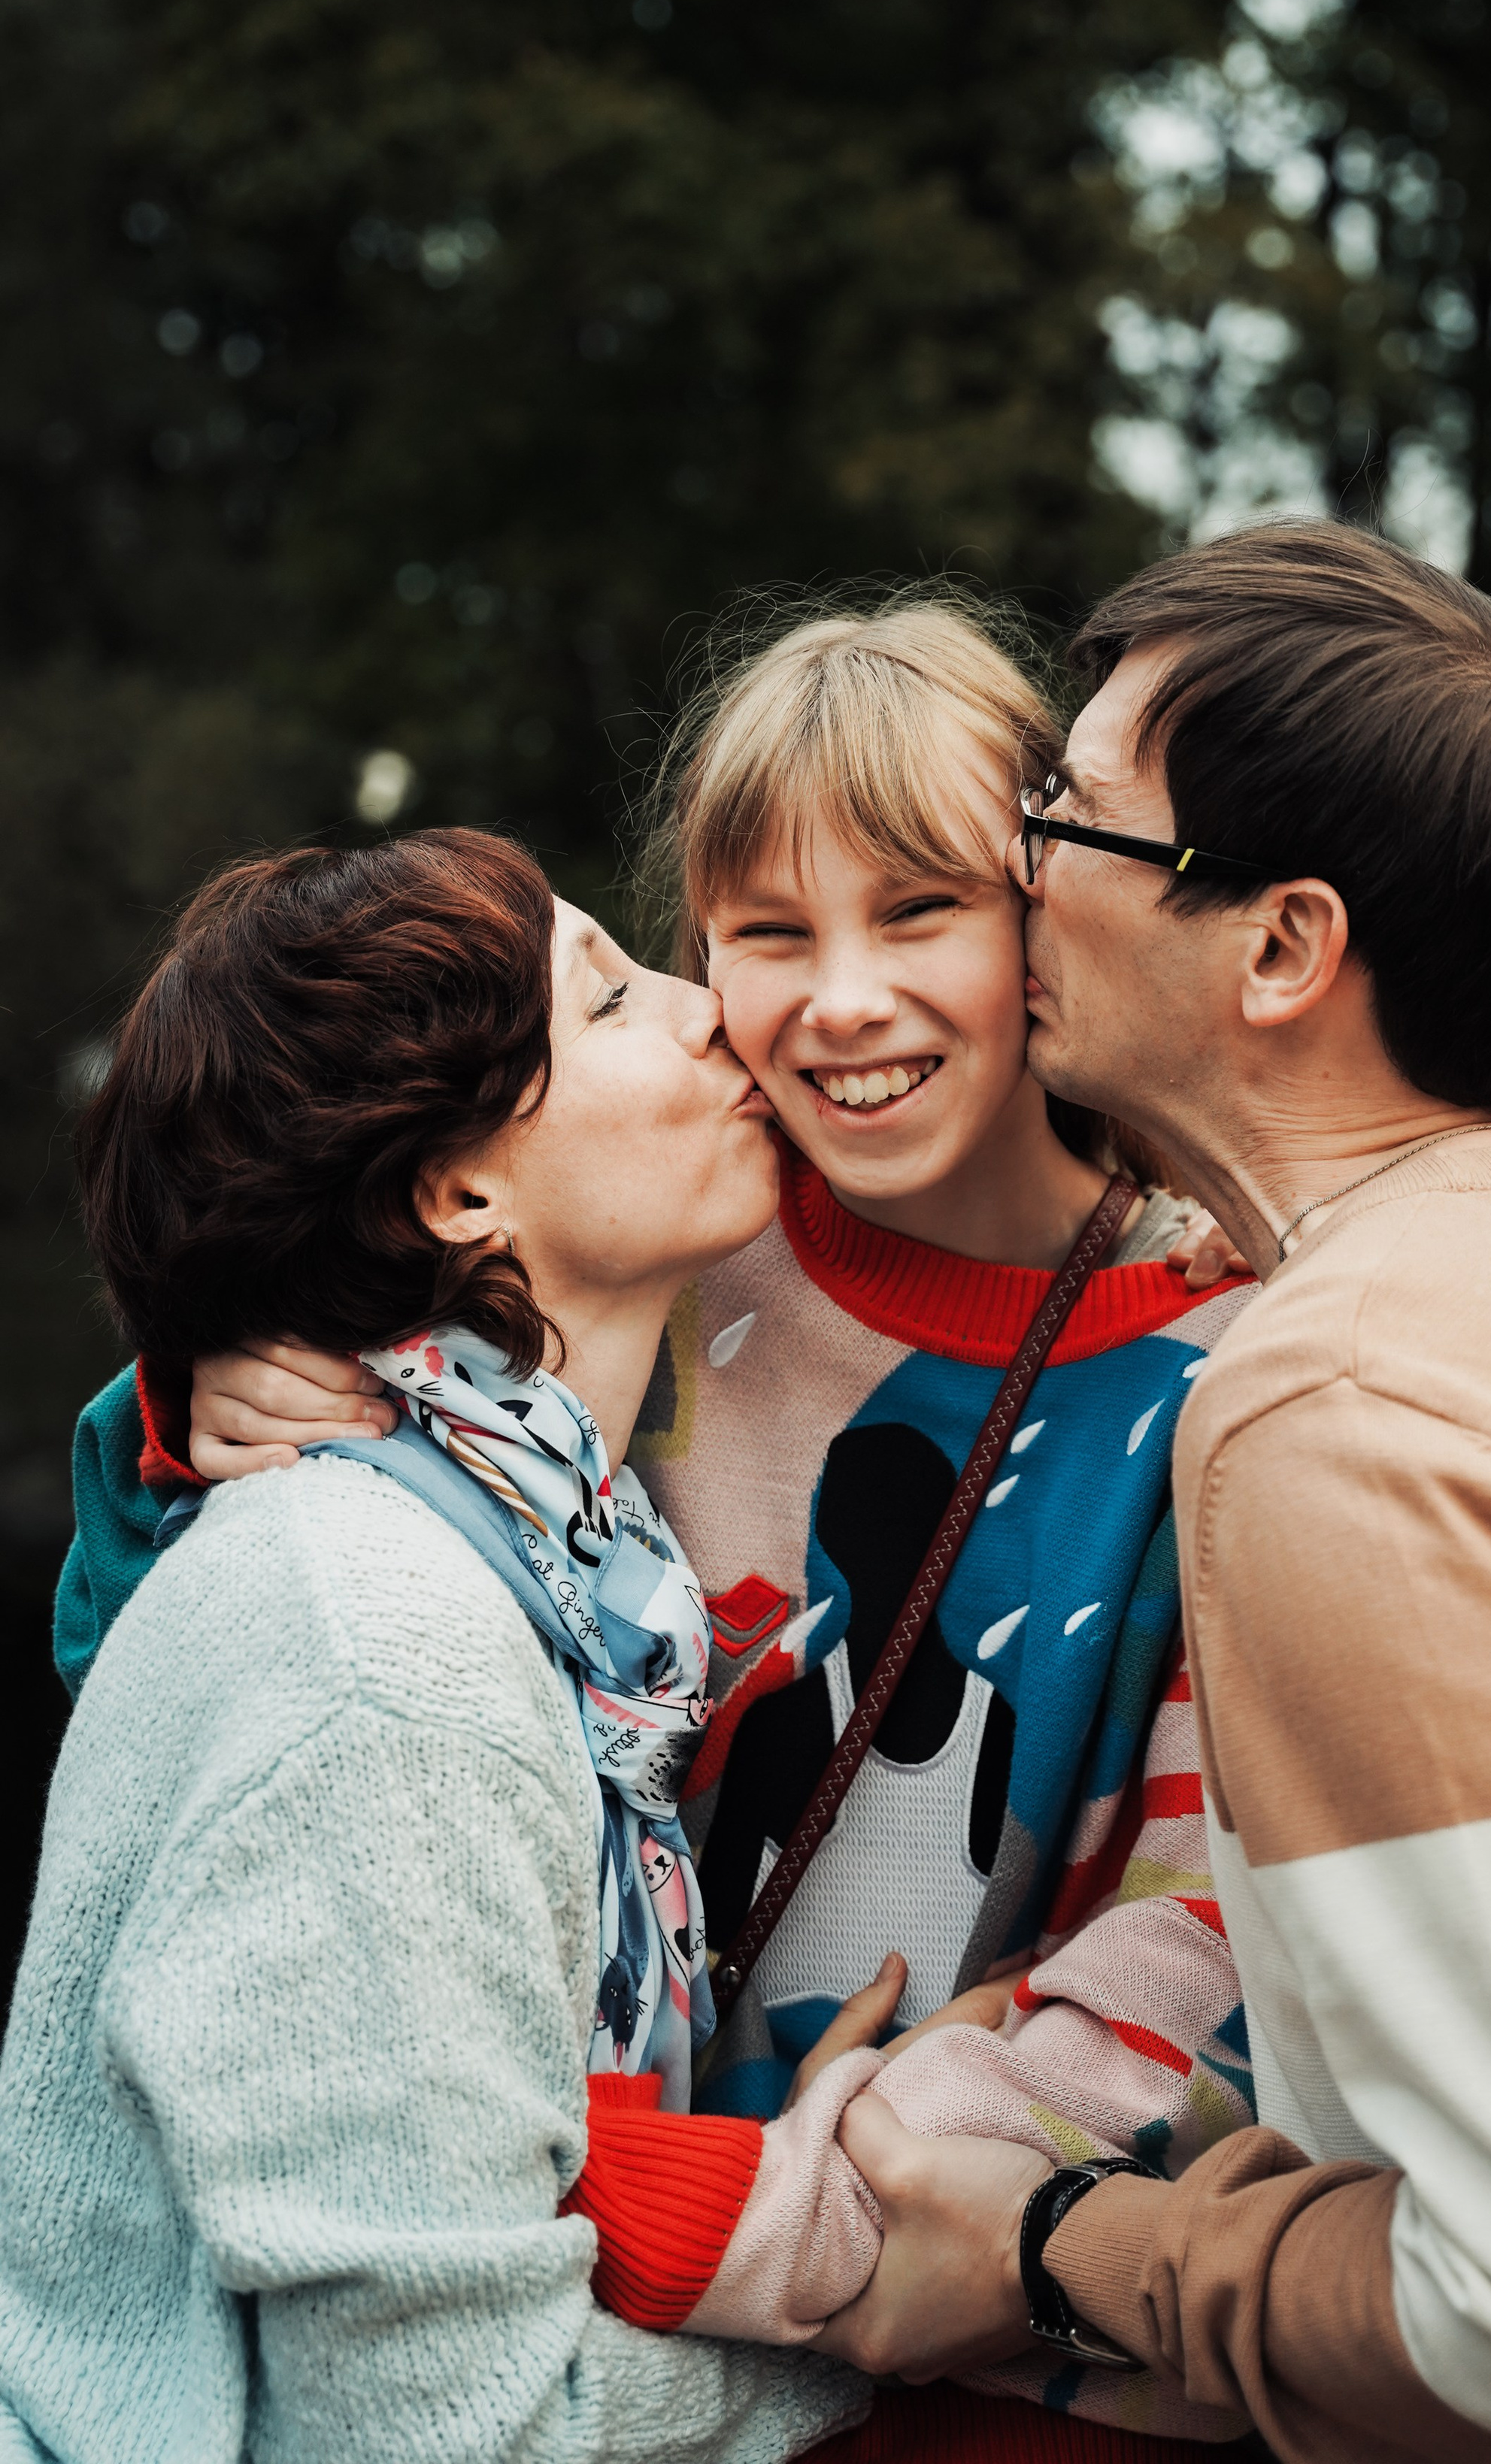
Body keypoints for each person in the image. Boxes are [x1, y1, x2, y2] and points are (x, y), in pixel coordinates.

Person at [56, 603, 1263, 2452]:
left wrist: (833, 2195)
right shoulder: (671, 1235)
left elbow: (1223, 1938)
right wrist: (200, 1406)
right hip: (524, 2282)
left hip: (967, 2334)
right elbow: (204, 1700)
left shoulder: (1234, 1372)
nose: (835, 1000)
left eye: (919, 911)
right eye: (763, 934)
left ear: (1048, 915)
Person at [814, 520, 1491, 2464]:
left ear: (1281, 948)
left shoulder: (1343, 1420)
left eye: (1067, 813)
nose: (1014, 865)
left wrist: (1056, 2246)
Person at [0, 830, 864, 2464]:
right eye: (609, 999)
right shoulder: (387, 1654)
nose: (710, 1009)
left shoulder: (552, 1558)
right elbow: (452, 2431)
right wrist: (899, 2342)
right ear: (461, 1194)